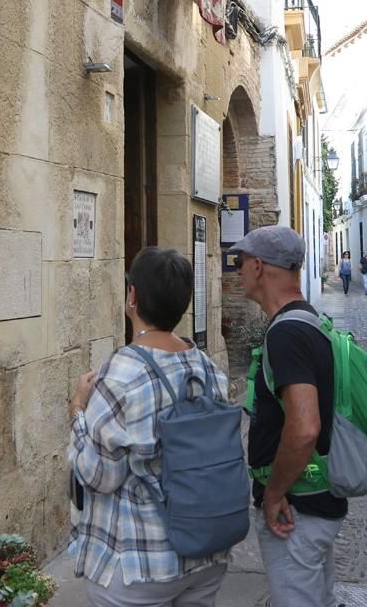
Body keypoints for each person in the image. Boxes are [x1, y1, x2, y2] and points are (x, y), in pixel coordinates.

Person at [68, 247, 232, 607]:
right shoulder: (206, 368)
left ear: (132, 297)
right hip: (205, 551)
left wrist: (78, 411)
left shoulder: (122, 372)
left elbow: (99, 475)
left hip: (142, 559)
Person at [228, 225, 347, 607]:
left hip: (298, 511)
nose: (238, 271)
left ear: (259, 267)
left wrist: (274, 494)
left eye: (240, 262)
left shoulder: (286, 334)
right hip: (316, 500)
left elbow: (305, 426)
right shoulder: (310, 321)